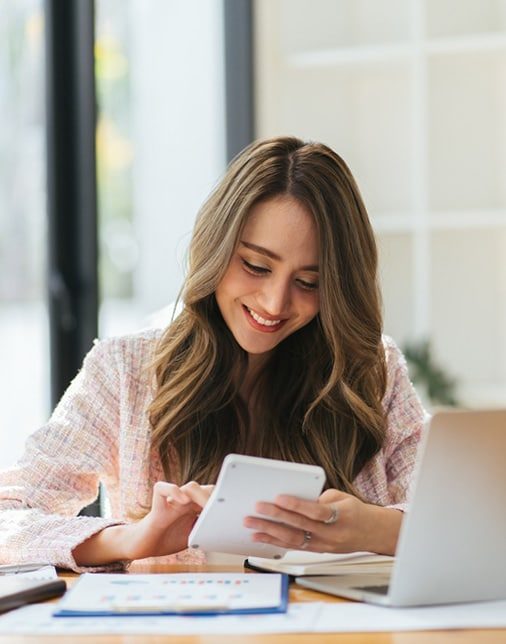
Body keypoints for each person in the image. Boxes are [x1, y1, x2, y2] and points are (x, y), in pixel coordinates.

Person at [0, 136, 425, 571]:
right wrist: (133, 539)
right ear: (214, 249)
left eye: (309, 282)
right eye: (256, 267)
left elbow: (472, 522)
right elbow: (7, 520)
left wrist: (374, 528)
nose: (275, 303)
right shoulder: (125, 372)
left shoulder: (372, 371)